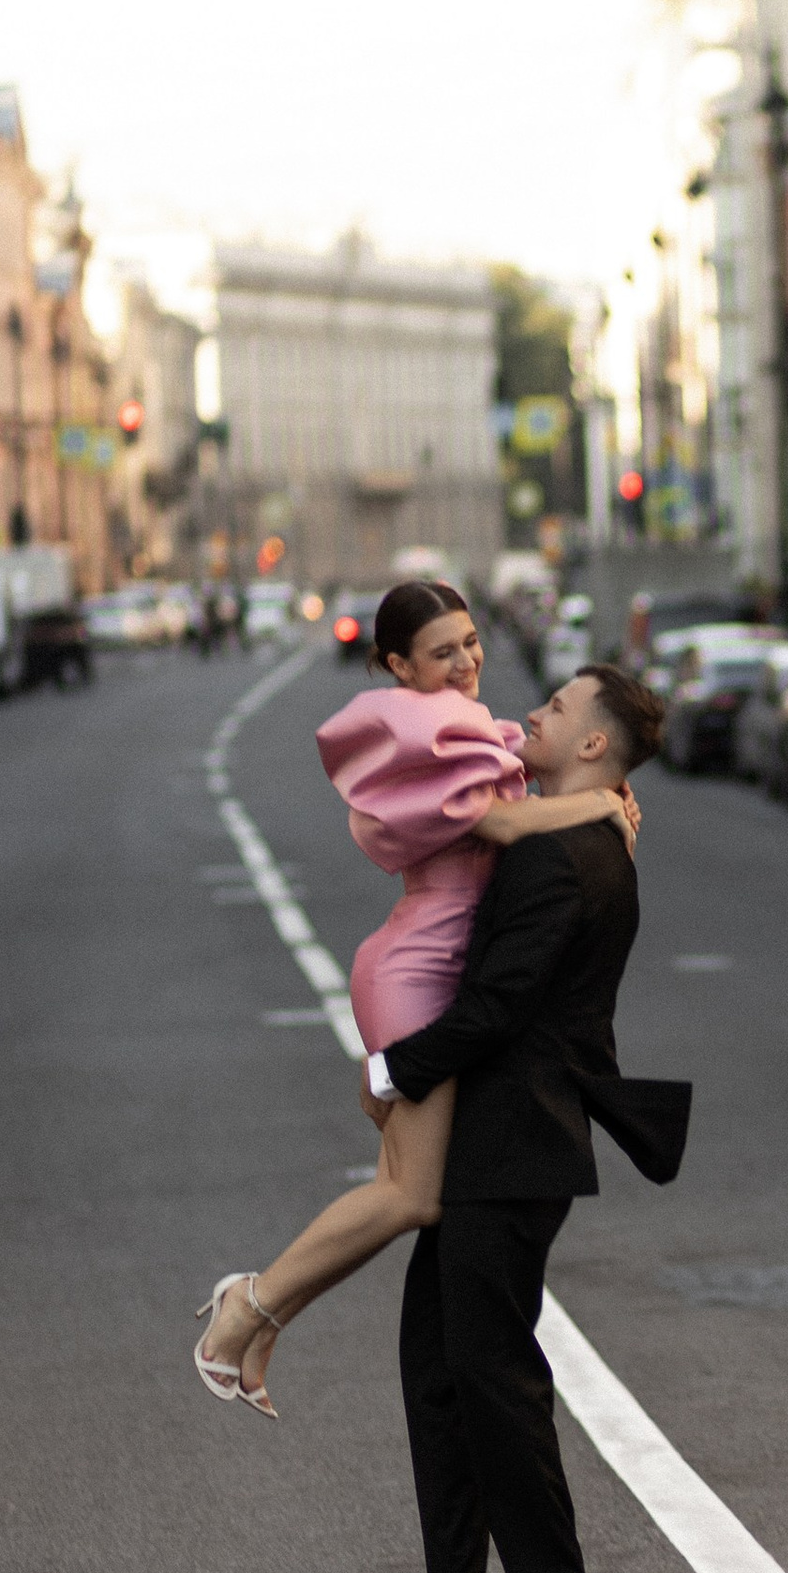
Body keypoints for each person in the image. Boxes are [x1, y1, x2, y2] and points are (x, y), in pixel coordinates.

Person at [191, 579, 635, 1417]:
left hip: (420, 963)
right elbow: (502, 829)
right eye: (443, 653)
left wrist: (593, 809)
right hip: (416, 973)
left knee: (400, 1186)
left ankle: (268, 1316)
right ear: (397, 665)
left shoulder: (456, 724)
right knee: (413, 1194)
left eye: (470, 641)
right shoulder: (424, 723)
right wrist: (598, 804)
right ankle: (243, 1306)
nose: (468, 661)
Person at [371, 659, 686, 1573]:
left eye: (555, 708)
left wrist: (393, 1067)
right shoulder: (578, 833)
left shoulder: (572, 857)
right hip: (496, 1139)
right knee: (439, 1355)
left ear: (594, 744)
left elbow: (501, 1003)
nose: (531, 713)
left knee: (492, 1368)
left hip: (517, 1140)